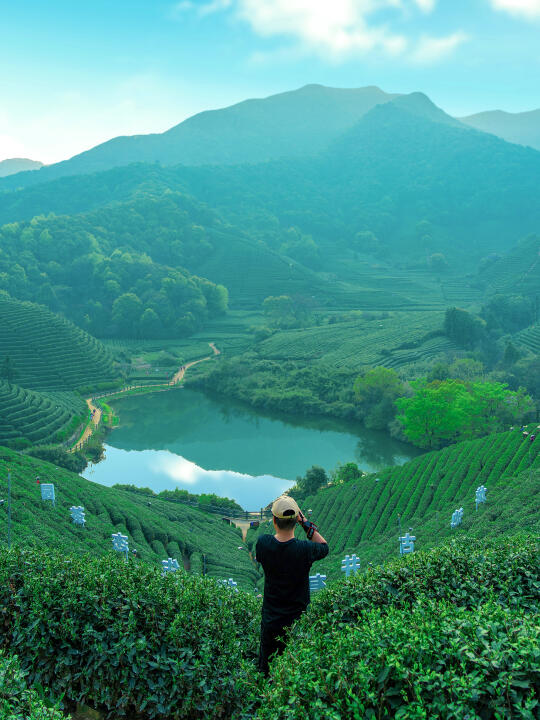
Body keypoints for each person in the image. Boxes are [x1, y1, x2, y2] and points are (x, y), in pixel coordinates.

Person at [255, 495, 328, 676]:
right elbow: (324, 547)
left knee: (267, 671)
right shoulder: (305, 550)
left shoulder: (263, 544)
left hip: (271, 621)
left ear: (274, 520)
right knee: (297, 671)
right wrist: (305, 523)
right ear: (296, 520)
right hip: (298, 622)